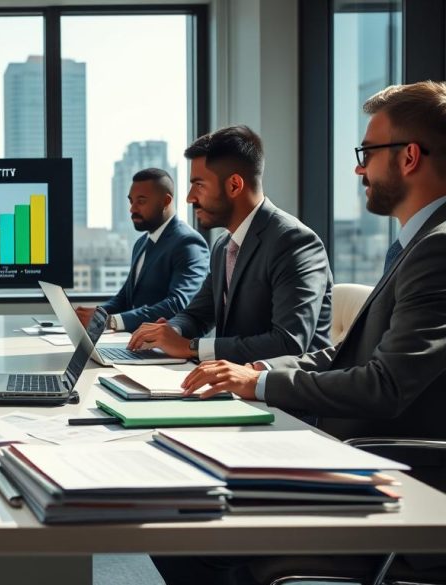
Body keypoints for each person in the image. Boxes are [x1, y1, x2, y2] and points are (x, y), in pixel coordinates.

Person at [158, 80, 446, 585]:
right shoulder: (416, 243)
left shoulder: (436, 250)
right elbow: (342, 354)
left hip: (395, 481)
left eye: (367, 152)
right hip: (352, 448)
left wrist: (259, 382)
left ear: (409, 158)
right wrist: (254, 373)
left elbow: (384, 384)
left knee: (186, 532)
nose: (359, 167)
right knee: (181, 505)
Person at [127, 125, 333, 364]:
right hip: (230, 383)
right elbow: (197, 315)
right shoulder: (224, 245)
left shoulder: (295, 243)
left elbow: (288, 344)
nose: (190, 197)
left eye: (199, 184)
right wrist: (171, 331)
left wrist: (191, 347)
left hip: (281, 394)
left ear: (234, 185)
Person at [75, 168, 208, 331]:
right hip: (137, 343)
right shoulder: (141, 243)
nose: (132, 209)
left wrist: (111, 321)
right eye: (131, 201)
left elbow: (177, 304)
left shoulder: (188, 243)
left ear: (166, 201)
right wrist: (98, 315)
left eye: (141, 201)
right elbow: (124, 298)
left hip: (170, 350)